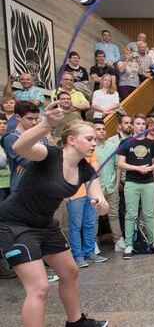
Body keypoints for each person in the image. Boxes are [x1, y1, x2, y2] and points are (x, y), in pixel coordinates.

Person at [0, 102, 109, 327]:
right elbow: (20, 147)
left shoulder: (86, 169)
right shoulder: (49, 155)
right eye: (88, 138)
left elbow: (101, 199)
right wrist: (46, 123)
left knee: (69, 272)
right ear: (71, 140)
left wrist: (100, 203)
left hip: (45, 225)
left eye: (94, 139)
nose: (94, 142)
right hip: (15, 224)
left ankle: (76, 322)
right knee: (39, 287)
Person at [117, 114, 154, 259]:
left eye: (143, 124)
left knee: (149, 214)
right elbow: (121, 163)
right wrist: (137, 168)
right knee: (131, 214)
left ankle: (153, 242)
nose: (141, 126)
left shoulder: (151, 143)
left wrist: (149, 169)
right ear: (133, 125)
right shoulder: (126, 142)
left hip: (148, 182)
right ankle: (129, 245)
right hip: (132, 182)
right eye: (138, 123)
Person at [92, 120, 124, 253]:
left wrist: (117, 184)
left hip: (111, 186)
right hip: (96, 188)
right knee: (94, 216)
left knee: (114, 215)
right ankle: (92, 242)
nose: (101, 131)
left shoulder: (112, 146)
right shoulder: (90, 147)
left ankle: (118, 240)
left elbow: (118, 166)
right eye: (98, 129)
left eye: (103, 129)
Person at [2, 101, 48, 193]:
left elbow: (52, 159)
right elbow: (26, 161)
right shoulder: (11, 137)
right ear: (18, 117)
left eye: (36, 119)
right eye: (30, 119)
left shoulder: (42, 137)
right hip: (21, 186)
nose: (34, 122)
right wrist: (42, 160)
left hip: (42, 186)